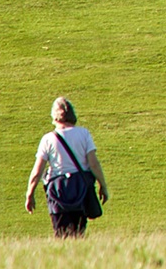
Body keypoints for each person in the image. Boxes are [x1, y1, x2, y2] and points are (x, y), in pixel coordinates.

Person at [23, 96, 109, 236]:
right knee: (78, 233)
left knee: (61, 235)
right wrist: (102, 185)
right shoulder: (84, 134)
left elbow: (37, 171)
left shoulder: (48, 139)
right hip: (80, 189)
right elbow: (93, 164)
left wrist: (30, 194)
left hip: (58, 192)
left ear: (54, 116)